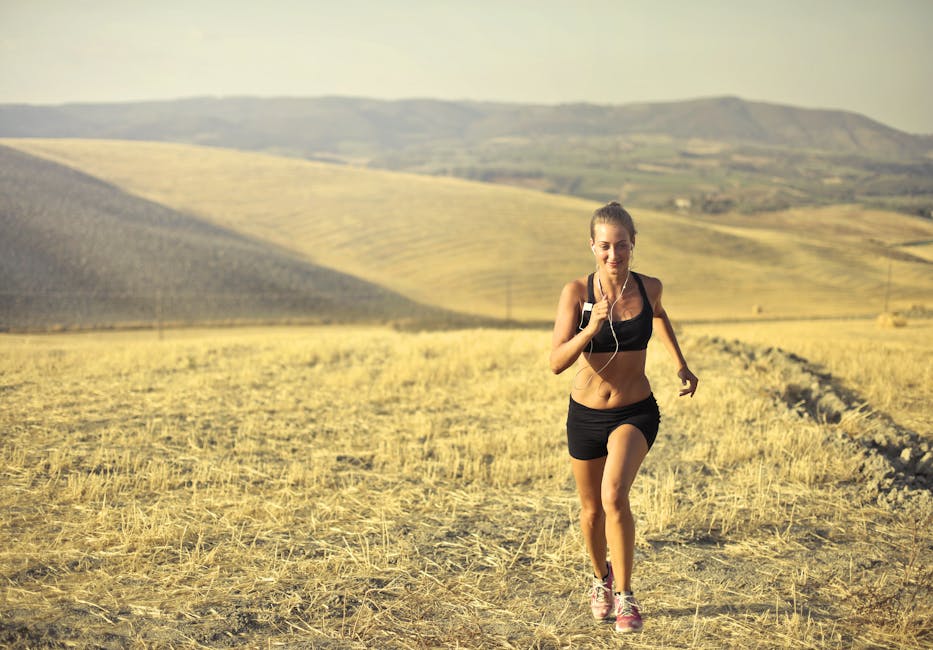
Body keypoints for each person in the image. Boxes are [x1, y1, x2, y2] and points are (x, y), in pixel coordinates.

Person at [549, 202, 698, 633]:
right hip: (585, 415)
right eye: (605, 247)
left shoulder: (650, 287)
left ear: (634, 244)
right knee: (591, 509)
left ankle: (627, 596)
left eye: (622, 245)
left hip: (635, 410)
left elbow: (660, 316)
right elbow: (556, 362)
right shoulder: (576, 293)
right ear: (592, 247)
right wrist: (589, 329)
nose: (614, 255)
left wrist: (680, 364)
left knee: (614, 496)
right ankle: (601, 581)